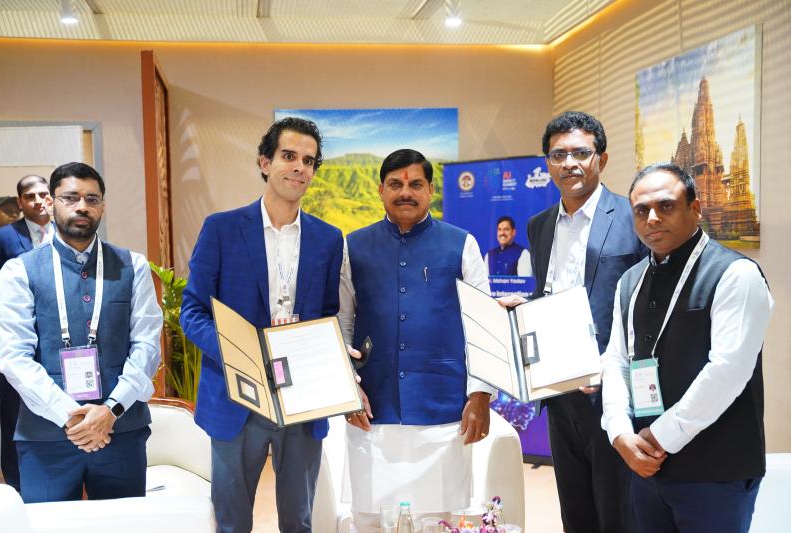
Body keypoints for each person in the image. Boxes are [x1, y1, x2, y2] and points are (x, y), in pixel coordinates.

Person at [180, 117, 343, 533]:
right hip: (236, 397)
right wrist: (244, 355)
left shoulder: (328, 239)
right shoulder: (222, 229)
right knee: (232, 524)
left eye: (309, 160)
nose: (299, 167)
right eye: (289, 156)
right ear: (265, 162)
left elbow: (328, 314)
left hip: (302, 400)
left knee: (298, 522)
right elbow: (193, 312)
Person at [601, 163, 773, 533]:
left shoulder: (736, 274)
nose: (652, 218)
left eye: (666, 206)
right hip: (646, 465)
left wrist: (659, 436)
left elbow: (727, 372)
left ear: (695, 209)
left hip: (716, 472)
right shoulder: (629, 281)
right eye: (641, 210)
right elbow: (615, 360)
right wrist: (618, 431)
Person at [338, 148, 496, 531]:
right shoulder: (353, 246)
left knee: (437, 520)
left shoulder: (461, 244)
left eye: (415, 184)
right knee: (371, 519)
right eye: (395, 184)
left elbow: (484, 326)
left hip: (442, 410)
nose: (405, 192)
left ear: (430, 190)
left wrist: (480, 395)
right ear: (381, 190)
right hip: (373, 409)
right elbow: (341, 322)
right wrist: (346, 388)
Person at [0, 162, 162, 503]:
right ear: (51, 203)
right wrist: (70, 417)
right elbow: (14, 357)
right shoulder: (18, 271)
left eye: (92, 199)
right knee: (49, 526)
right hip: (46, 439)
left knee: (123, 525)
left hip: (120, 432)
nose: (82, 206)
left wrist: (110, 410)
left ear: (102, 206)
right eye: (70, 197)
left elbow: (147, 345)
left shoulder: (133, 266)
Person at [524, 111, 647, 533]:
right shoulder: (539, 226)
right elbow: (549, 294)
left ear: (602, 159)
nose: (569, 163)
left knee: (618, 513)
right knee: (575, 513)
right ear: (547, 163)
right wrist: (523, 308)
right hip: (559, 391)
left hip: (614, 393)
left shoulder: (633, 217)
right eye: (558, 155)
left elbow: (649, 306)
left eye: (580, 153)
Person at [0, 174, 53, 492]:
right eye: (30, 196)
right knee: (14, 415)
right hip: (14, 341)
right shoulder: (1, 237)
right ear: (20, 202)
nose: (38, 201)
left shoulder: (67, 233)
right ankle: (16, 486)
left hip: (59, 344)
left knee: (56, 408)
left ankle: (59, 481)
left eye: (43, 194)